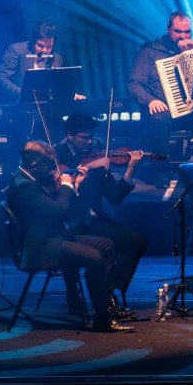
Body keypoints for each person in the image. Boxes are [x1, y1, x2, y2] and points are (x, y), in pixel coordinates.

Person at [5, 140, 132, 332]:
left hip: (51, 237)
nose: (51, 171)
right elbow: (58, 210)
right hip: (40, 247)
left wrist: (75, 186)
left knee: (107, 245)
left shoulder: (29, 179)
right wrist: (66, 184)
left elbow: (54, 207)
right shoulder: (24, 186)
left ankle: (106, 307)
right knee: (95, 258)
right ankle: (103, 319)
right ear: (34, 165)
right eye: (48, 166)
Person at [54, 113, 148, 316]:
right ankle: (74, 294)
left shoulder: (99, 157)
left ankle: (109, 291)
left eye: (91, 138)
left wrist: (130, 169)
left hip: (95, 219)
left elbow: (114, 198)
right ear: (69, 135)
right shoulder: (56, 155)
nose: (89, 143)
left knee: (136, 242)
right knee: (101, 246)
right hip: (70, 222)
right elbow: (58, 179)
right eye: (84, 138)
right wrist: (88, 167)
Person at [127, 11, 193, 153]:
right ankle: (160, 167)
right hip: (165, 112)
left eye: (187, 32)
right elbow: (134, 83)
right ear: (168, 30)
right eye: (178, 31)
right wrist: (151, 100)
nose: (183, 36)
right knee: (159, 119)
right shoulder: (150, 51)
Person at [0, 22, 64, 104]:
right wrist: (25, 94)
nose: (45, 50)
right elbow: (2, 80)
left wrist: (67, 94)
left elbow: (56, 86)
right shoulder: (16, 50)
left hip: (43, 107)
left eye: (49, 47)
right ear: (33, 41)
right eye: (40, 45)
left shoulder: (57, 59)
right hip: (14, 103)